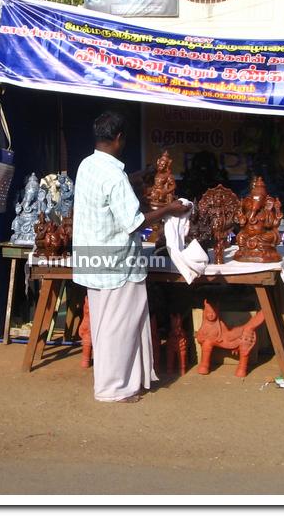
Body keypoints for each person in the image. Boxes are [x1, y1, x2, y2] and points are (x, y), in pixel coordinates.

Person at [73, 110, 190, 403]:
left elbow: (107, 199)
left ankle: (124, 382)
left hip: (94, 258)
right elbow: (134, 223)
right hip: (116, 263)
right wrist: (168, 210)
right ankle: (113, 388)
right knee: (119, 327)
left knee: (106, 324)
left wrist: (137, 178)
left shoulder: (87, 165)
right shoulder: (114, 175)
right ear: (119, 138)